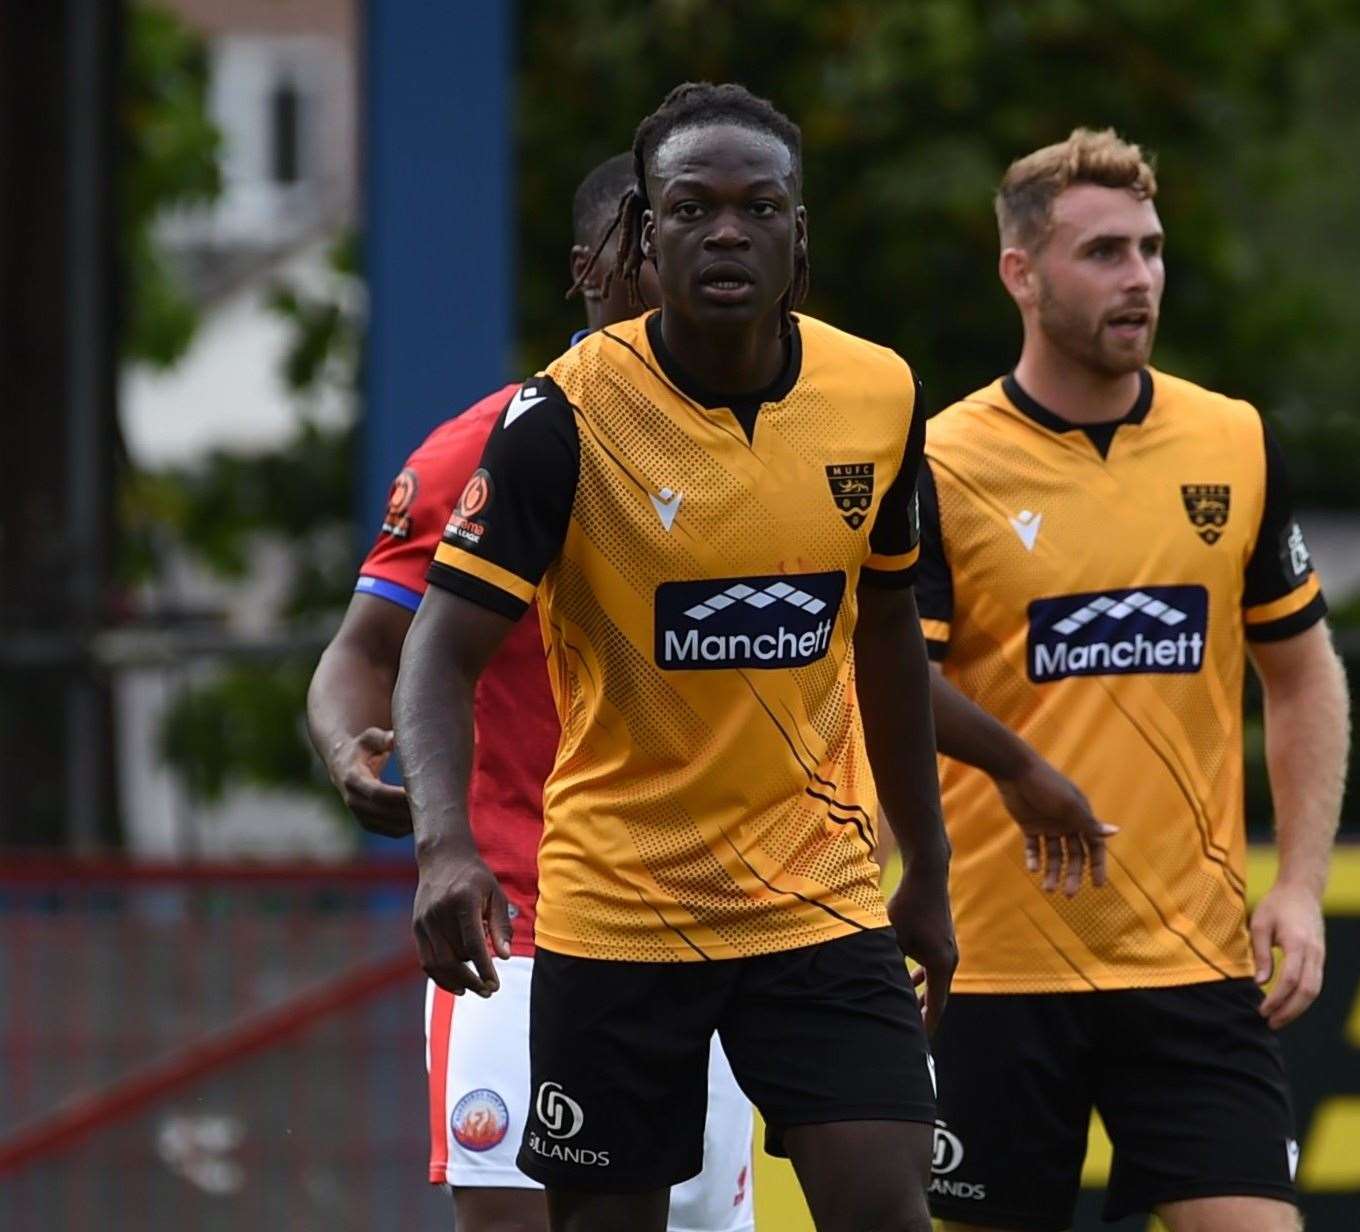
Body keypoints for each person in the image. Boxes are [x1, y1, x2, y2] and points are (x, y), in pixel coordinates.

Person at [393, 81, 968, 1232]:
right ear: (643, 238)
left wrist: (931, 861)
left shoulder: (878, 392)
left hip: (816, 897)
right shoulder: (560, 419)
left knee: (887, 1203)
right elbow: (434, 654)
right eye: (692, 207)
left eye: (757, 208)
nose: (724, 231)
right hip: (621, 906)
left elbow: (889, 635)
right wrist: (443, 846)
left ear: (796, 237)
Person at [307, 155, 755, 1232]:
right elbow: (363, 646)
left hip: (715, 926)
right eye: (649, 245)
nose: (678, 266)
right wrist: (347, 750)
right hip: (521, 925)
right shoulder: (486, 446)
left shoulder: (775, 446)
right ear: (589, 270)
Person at [916, 128, 1351, 1232]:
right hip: (996, 967)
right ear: (1020, 272)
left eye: (1150, 250)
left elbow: (1299, 675)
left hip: (1192, 963)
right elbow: (884, 685)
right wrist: (1015, 769)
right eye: (1103, 252)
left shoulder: (1231, 441)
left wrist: (1297, 883)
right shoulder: (936, 463)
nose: (1139, 278)